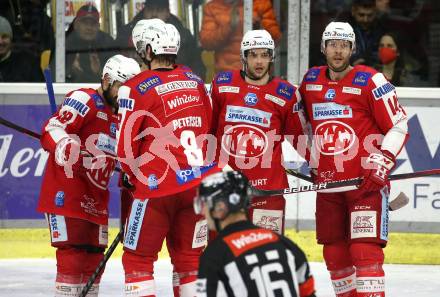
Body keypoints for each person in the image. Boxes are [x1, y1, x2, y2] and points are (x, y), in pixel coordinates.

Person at [298, 22, 409, 297]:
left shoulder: (372, 81)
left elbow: (399, 125)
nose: (338, 51)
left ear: (352, 48)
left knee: (364, 251)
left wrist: (382, 162)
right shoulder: (310, 82)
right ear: (323, 48)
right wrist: (313, 159)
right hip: (329, 186)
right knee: (334, 254)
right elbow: (305, 127)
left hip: (366, 185)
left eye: (344, 45)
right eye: (333, 44)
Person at [116, 18, 218, 296]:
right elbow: (209, 132)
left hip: (155, 189)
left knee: (137, 260)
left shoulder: (134, 87)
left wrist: (128, 176)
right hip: (196, 187)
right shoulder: (196, 81)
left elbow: (124, 147)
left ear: (147, 50)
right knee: (190, 261)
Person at [37, 55, 140, 296]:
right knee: (72, 257)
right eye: (120, 89)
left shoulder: (124, 117)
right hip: (67, 195)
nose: (124, 98)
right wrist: (64, 144)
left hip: (96, 201)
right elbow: (52, 128)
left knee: (95, 260)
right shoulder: (85, 99)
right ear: (106, 80)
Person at [209, 29, 309, 234]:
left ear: (272, 56)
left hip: (268, 191)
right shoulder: (222, 84)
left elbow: (300, 139)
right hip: (226, 189)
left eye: (264, 54)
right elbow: (209, 133)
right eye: (253, 55)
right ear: (243, 57)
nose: (259, 61)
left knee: (266, 252)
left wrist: (322, 166)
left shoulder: (286, 93)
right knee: (224, 253)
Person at [194, 170, 316, 297]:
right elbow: (308, 293)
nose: (202, 212)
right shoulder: (286, 245)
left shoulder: (214, 255)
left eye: (203, 204)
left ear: (220, 208)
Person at [116, 0, 206, 79]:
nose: (154, 14)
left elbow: (197, 68)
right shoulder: (127, 33)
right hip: (137, 85)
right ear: (144, 11)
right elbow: (116, 65)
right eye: (150, 9)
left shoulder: (183, 36)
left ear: (167, 13)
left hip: (174, 84)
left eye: (159, 10)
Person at [199, 0, 281, 73]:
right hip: (227, 73)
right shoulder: (213, 7)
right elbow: (206, 42)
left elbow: (276, 38)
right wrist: (229, 26)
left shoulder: (260, 3)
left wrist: (259, 28)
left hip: (258, 71)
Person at [65, 4, 116, 83]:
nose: (89, 27)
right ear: (76, 25)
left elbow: (116, 78)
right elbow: (53, 76)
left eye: (93, 23)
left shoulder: (107, 43)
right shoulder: (64, 43)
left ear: (98, 26)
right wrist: (70, 71)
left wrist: (99, 72)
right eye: (85, 23)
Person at [0, 16, 43, 82]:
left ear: (11, 39)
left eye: (4, 37)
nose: (0, 42)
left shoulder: (27, 64)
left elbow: (39, 90)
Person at [347, 0, 384, 66]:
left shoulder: (382, 32)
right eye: (361, 15)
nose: (365, 20)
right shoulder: (343, 30)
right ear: (353, 11)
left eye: (370, 15)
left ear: (375, 13)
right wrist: (352, 63)